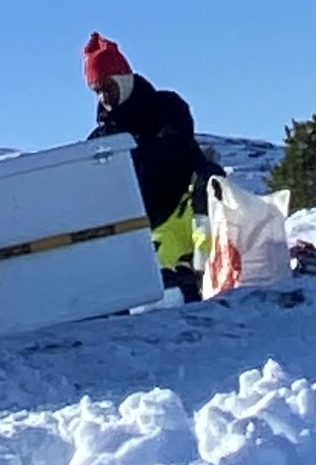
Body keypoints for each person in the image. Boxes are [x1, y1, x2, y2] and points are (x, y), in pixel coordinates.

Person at [82, 32, 225, 301]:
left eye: (108, 86)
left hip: (185, 209)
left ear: (124, 79)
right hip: (142, 227)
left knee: (211, 178)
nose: (104, 96)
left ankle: (204, 267)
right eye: (97, 90)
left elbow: (177, 146)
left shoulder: (167, 107)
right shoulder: (100, 139)